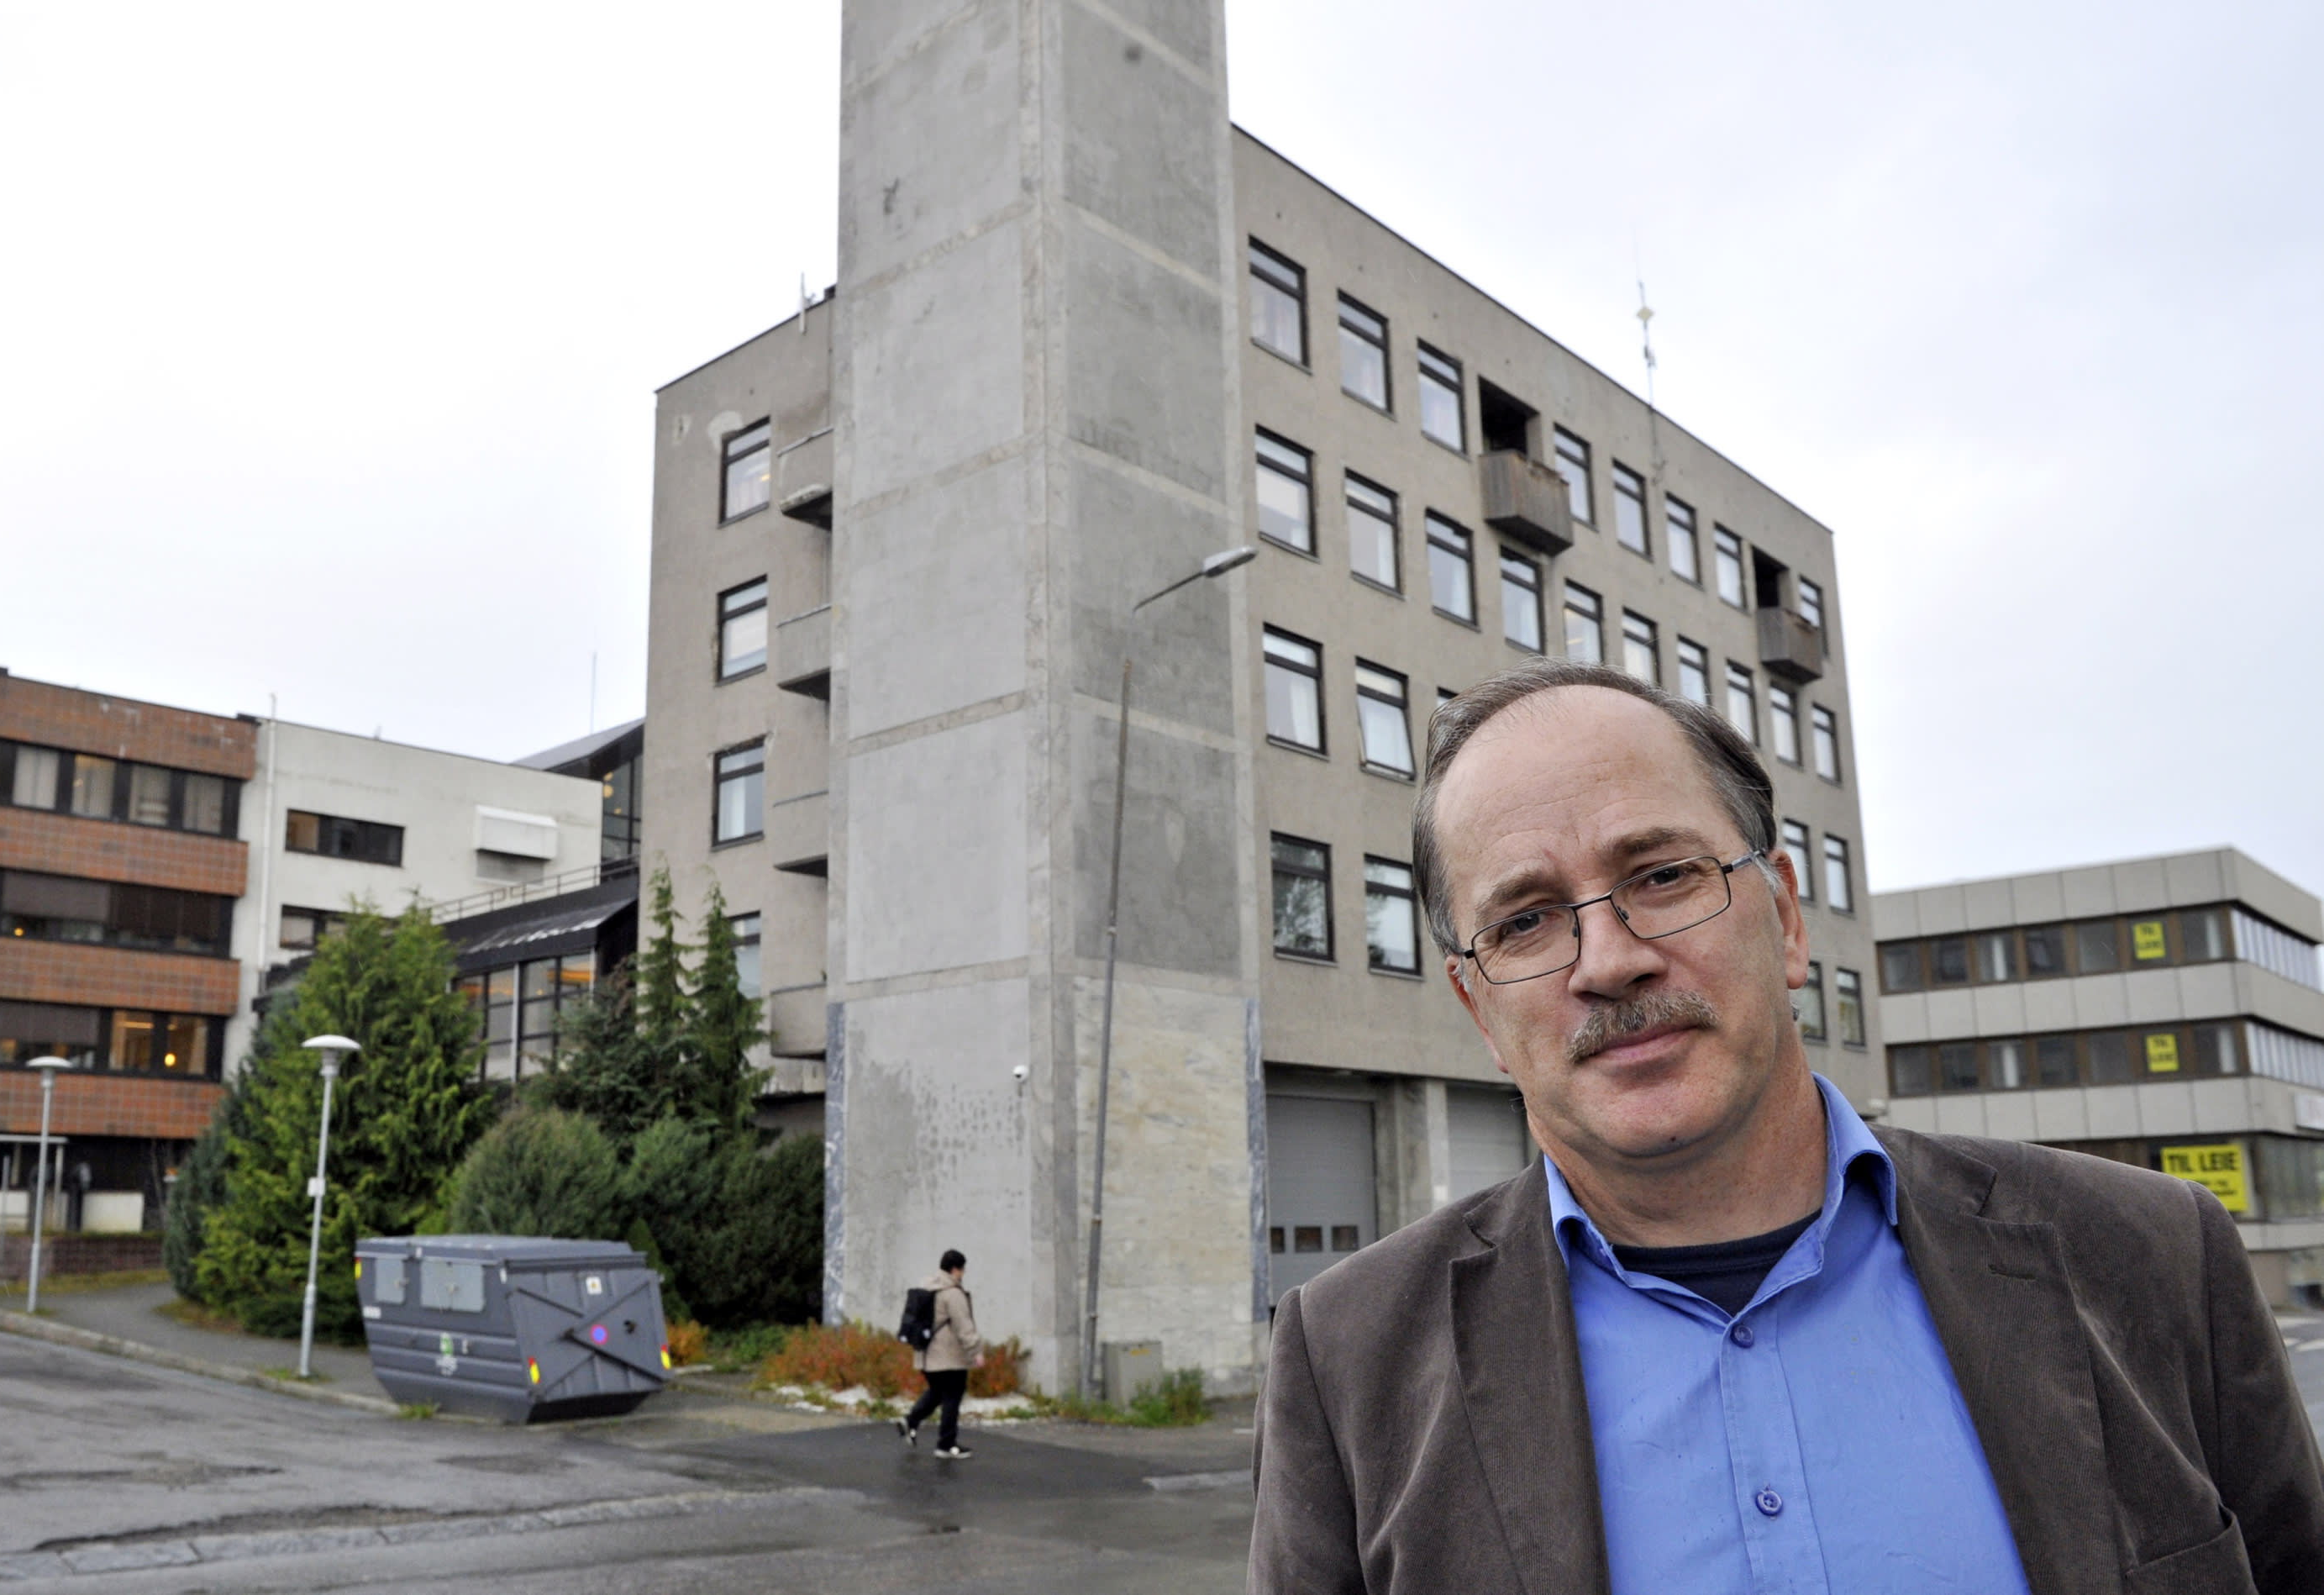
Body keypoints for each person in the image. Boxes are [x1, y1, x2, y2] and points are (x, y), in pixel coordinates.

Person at [1250, 659, 2324, 1594]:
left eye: (1661, 875)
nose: (1608, 961)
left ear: (1787, 917)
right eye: (1524, 920)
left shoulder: (2152, 1258)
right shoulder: (1348, 1361)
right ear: (1478, 1005)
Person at [897, 1248, 983, 1460]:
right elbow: (964, 1326)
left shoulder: (928, 1288)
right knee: (952, 1397)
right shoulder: (953, 1294)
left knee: (937, 1393)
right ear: (955, 1269)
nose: (963, 1274)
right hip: (949, 1358)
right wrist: (975, 1351)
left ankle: (910, 1421)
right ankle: (946, 1444)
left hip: (926, 1356)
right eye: (962, 1269)